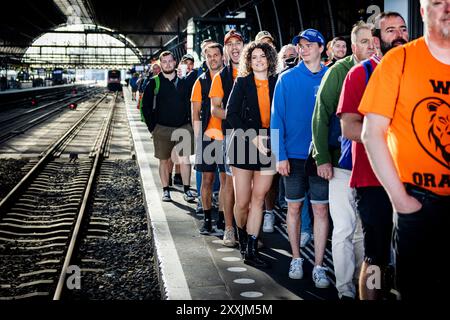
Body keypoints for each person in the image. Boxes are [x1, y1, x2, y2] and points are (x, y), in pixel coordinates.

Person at [359, 0, 450, 300]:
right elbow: (363, 131)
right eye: (437, 2)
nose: (447, 7)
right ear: (423, 12)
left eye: (401, 28)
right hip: (405, 195)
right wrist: (401, 200)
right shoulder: (380, 66)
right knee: (377, 256)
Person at [337, 12, 409, 300]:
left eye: (403, 28)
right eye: (391, 30)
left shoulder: (417, 70)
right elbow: (349, 127)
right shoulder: (361, 73)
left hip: (414, 180)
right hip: (372, 179)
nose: (399, 34)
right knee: (376, 255)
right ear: (378, 40)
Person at [312, 21, 376, 299]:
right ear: (353, 46)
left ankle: (367, 287)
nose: (371, 46)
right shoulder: (339, 72)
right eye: (364, 42)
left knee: (367, 233)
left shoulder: (382, 69)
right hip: (340, 165)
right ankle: (345, 288)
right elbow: (320, 115)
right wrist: (322, 158)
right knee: (344, 230)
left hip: (374, 166)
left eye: (373, 41)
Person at [271, 29, 329, 285]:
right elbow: (276, 120)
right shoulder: (286, 79)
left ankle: (318, 265)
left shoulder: (331, 76)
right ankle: (296, 258)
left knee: (320, 210)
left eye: (309, 45)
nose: (303, 49)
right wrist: (279, 156)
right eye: (300, 45)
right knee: (293, 208)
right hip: (292, 158)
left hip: (321, 158)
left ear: (321, 48)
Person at [226, 41, 278, 268]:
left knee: (259, 198)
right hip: (243, 143)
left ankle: (250, 248)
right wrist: (252, 136)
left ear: (269, 59)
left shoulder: (278, 81)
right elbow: (231, 114)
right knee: (243, 202)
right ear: (249, 60)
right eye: (254, 57)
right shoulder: (243, 82)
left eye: (262, 56)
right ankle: (242, 237)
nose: (258, 60)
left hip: (270, 144)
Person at [141, 51, 195, 203]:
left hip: (183, 127)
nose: (167, 64)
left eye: (170, 61)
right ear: (160, 64)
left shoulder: (184, 82)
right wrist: (153, 128)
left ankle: (187, 190)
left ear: (175, 62)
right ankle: (166, 190)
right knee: (164, 161)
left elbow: (192, 103)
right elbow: (145, 107)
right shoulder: (154, 83)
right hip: (162, 128)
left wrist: (190, 124)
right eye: (164, 62)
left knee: (185, 160)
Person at [209, 29, 245, 254]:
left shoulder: (256, 71)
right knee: (229, 185)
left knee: (250, 189)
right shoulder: (221, 77)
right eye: (230, 44)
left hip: (255, 138)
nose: (234, 47)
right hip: (231, 136)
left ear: (244, 46)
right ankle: (230, 228)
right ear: (225, 50)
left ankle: (248, 231)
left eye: (238, 43)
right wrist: (238, 119)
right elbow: (215, 109)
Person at [191, 43, 230, 242]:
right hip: (208, 137)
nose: (213, 58)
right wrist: (199, 139)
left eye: (217, 55)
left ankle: (222, 220)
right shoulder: (201, 81)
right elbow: (195, 113)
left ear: (222, 57)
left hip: (227, 138)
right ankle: (207, 219)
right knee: (207, 180)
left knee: (225, 182)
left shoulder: (231, 78)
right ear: (205, 59)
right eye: (210, 56)